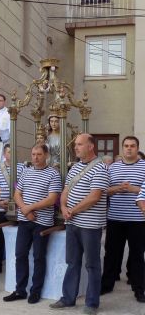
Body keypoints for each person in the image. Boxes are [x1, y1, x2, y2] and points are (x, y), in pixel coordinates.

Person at [50, 134, 110, 314]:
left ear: (91, 146)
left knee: (92, 264)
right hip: (72, 223)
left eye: (79, 144)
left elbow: (95, 196)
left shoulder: (101, 168)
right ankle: (68, 298)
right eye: (75, 145)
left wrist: (72, 210)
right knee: (72, 262)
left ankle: (92, 303)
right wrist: (63, 206)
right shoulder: (74, 167)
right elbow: (65, 190)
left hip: (90, 225)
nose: (75, 148)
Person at [3, 144, 62, 304]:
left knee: (38, 257)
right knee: (20, 254)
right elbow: (17, 194)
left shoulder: (53, 174)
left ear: (46, 155)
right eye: (33, 154)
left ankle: (35, 291)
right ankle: (20, 290)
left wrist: (30, 208)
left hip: (42, 223)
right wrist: (25, 210)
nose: (35, 157)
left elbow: (51, 199)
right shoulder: (26, 172)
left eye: (39, 154)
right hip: (25, 221)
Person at [101, 136, 145, 303]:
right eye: (126, 146)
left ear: (137, 148)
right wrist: (117, 188)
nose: (129, 149)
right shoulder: (112, 168)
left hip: (138, 219)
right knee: (111, 253)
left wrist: (135, 189)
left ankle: (139, 288)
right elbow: (103, 190)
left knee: (137, 255)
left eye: (132, 146)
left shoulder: (144, 166)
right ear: (122, 148)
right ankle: (107, 285)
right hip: (115, 217)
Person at [0, 144, 24, 273]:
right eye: (9, 152)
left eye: (14, 152)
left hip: (18, 209)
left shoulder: (23, 168)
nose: (12, 154)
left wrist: (18, 203)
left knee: (18, 239)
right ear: (4, 154)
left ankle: (16, 267)